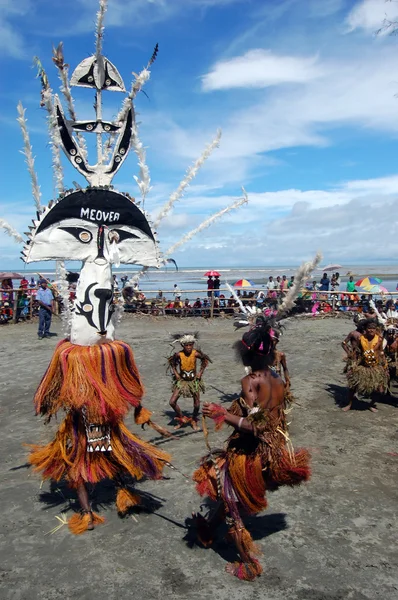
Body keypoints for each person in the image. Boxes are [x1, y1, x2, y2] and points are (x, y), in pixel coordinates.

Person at [192, 318, 310, 580]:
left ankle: (248, 564)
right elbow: (271, 418)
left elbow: (256, 427)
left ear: (246, 352)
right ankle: (209, 530)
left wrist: (222, 413)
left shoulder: (251, 381)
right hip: (273, 450)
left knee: (232, 503)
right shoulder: (277, 377)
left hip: (250, 454)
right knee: (228, 494)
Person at [343, 319, 388, 412]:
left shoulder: (379, 339)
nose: (371, 330)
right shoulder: (361, 338)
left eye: (373, 328)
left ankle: (371, 404)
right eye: (369, 328)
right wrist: (353, 365)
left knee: (379, 390)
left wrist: (385, 366)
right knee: (352, 386)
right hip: (362, 365)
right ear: (365, 329)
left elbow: (381, 352)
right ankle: (350, 404)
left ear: (376, 329)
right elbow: (357, 352)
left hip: (375, 366)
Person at [168, 334, 211, 431]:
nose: (188, 347)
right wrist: (176, 373)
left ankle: (193, 420)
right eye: (186, 345)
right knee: (172, 401)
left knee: (196, 404)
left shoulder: (195, 353)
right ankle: (182, 418)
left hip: (194, 382)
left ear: (193, 345)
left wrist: (200, 372)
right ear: (183, 346)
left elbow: (205, 360)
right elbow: (172, 362)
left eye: (190, 345)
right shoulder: (179, 354)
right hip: (182, 381)